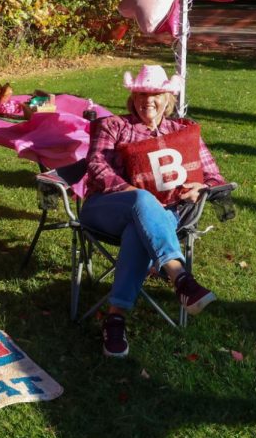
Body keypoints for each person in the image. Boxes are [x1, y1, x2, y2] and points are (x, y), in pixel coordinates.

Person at [81, 65, 227, 358]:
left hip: (163, 216)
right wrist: (134, 193)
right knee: (143, 203)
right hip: (107, 208)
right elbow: (96, 167)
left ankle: (115, 319)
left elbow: (214, 177)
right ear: (132, 97)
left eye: (155, 94)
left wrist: (200, 188)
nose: (147, 100)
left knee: (140, 227)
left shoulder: (183, 132)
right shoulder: (113, 126)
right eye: (141, 93)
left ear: (168, 98)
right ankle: (180, 277)